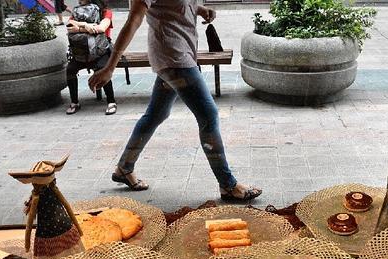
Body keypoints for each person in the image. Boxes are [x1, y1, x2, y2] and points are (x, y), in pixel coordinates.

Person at [88, 0, 262, 201]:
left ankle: (124, 169)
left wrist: (199, 10)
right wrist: (110, 67)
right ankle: (228, 185)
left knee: (156, 114)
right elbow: (133, 20)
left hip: (179, 55)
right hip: (174, 59)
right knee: (208, 115)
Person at [65, 0, 117, 115]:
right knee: (70, 70)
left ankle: (111, 102)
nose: (79, 0)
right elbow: (69, 27)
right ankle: (74, 102)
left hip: (101, 50)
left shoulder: (105, 12)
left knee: (102, 69)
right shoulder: (77, 12)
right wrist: (86, 26)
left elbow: (102, 28)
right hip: (81, 52)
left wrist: (78, 27)